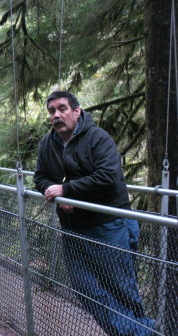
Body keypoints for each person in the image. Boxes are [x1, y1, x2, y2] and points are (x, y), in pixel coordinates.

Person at [34, 91, 156, 336]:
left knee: (122, 291)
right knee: (84, 288)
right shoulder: (48, 144)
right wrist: (56, 194)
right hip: (73, 228)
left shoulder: (98, 138)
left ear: (77, 111)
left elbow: (108, 177)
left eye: (62, 109)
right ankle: (141, 332)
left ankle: (138, 332)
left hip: (109, 226)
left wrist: (68, 191)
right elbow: (40, 177)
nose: (56, 115)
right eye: (52, 111)